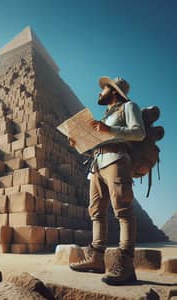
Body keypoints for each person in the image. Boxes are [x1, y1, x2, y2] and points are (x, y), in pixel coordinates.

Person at [69, 76, 146, 285]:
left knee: (123, 210)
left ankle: (126, 264)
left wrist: (108, 130)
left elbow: (139, 133)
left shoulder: (128, 106)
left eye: (102, 90)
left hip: (117, 160)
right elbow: (98, 145)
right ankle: (95, 259)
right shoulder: (106, 115)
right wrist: (79, 143)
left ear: (113, 91)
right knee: (96, 212)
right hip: (97, 164)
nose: (98, 93)